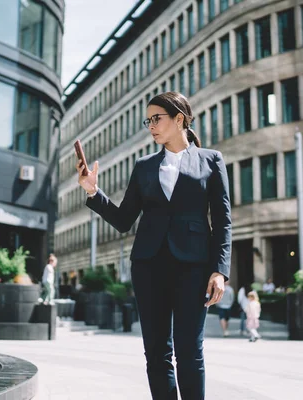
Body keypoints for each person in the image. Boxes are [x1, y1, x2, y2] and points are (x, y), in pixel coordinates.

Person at [76, 91, 232, 400]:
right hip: (148, 265)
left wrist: (219, 271)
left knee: (189, 351)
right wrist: (94, 193)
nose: (151, 125)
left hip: (193, 267)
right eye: (148, 120)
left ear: (179, 119)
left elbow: (223, 221)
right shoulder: (144, 165)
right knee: (157, 353)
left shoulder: (211, 160)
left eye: (156, 118)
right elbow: (123, 219)